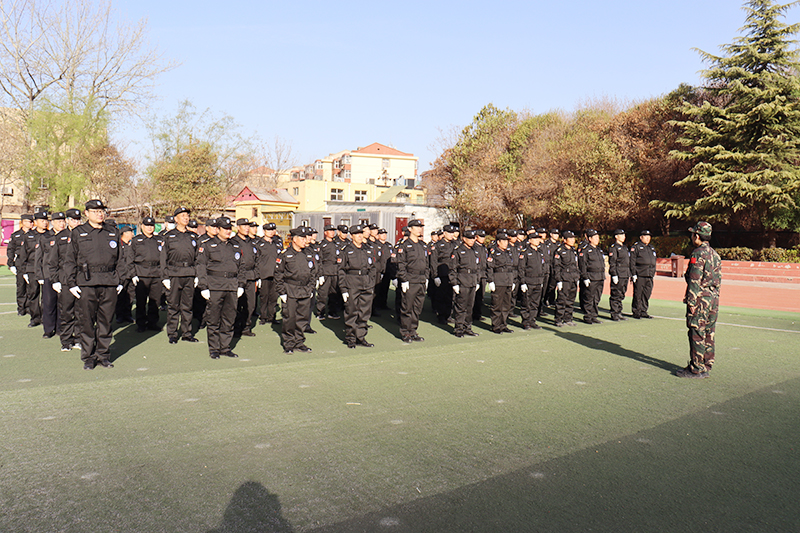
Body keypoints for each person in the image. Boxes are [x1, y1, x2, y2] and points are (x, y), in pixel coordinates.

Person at [64, 199, 123, 369]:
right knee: (87, 322)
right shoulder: (78, 232)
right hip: (87, 282)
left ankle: (103, 355)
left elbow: (120, 258)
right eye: (95, 211)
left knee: (106, 321)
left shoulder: (112, 231)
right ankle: (88, 357)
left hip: (109, 282)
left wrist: (120, 280)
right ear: (87, 213)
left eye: (101, 211)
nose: (99, 214)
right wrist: (71, 283)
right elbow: (70, 259)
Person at [196, 217, 245, 359]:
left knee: (229, 318)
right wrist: (203, 286)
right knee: (214, 318)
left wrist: (241, 284)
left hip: (231, 285)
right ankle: (214, 348)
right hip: (215, 285)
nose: (228, 231)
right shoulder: (207, 245)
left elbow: (241, 267)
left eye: (230, 228)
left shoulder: (235, 246)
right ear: (217, 229)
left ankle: (225, 347)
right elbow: (201, 266)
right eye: (225, 228)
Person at [678, 222, 721, 379]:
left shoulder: (698, 254)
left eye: (693, 234)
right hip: (713, 299)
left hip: (700, 299)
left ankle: (696, 368)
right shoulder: (715, 255)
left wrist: (691, 302)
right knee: (709, 332)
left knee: (696, 332)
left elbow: (694, 279)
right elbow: (718, 280)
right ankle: (706, 365)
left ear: (697, 236)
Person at [274, 227, 318, 354]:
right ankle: (289, 343)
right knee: (290, 318)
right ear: (294, 239)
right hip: (290, 290)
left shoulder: (308, 253)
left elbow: (313, 273)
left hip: (305, 290)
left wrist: (310, 288)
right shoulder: (285, 254)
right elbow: (278, 274)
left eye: (306, 238)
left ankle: (299, 342)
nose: (305, 240)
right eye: (302, 238)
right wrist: (282, 292)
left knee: (302, 318)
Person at [161, 207, 199, 343]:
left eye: (187, 215)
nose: (186, 218)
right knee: (173, 305)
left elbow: (198, 258)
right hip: (174, 274)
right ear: (176, 219)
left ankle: (187, 333)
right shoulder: (169, 236)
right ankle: (172, 333)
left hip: (189, 273)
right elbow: (163, 258)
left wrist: (197, 275)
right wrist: (165, 277)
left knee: (187, 306)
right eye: (182, 215)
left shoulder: (193, 236)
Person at [46, 210, 80, 350]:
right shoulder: (60, 237)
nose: (76, 222)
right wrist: (55, 280)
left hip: (80, 279)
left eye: (78, 219)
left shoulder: (84, 235)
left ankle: (79, 338)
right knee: (66, 311)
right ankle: (66, 340)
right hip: (64, 279)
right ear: (67, 220)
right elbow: (52, 261)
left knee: (81, 311)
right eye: (73, 219)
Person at [338, 224, 376, 348]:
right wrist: (343, 288)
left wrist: (371, 282)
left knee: (364, 312)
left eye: (361, 233)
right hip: (352, 283)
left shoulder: (367, 249)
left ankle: (361, 337)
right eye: (356, 234)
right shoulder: (346, 250)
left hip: (366, 283)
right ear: (351, 236)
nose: (360, 236)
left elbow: (373, 267)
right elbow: (341, 270)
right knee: (351, 311)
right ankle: (351, 338)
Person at [126, 217, 164, 333]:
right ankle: (141, 323)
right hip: (141, 273)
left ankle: (152, 322)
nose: (149, 228)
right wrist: (133, 274)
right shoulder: (136, 241)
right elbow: (129, 259)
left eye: (151, 225)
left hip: (156, 273)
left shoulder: (159, 240)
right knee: (141, 301)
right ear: (142, 226)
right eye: (147, 225)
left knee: (155, 301)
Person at [395, 219, 428, 343]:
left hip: (421, 280)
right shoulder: (404, 245)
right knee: (407, 307)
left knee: (417, 308)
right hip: (410, 279)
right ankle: (405, 332)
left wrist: (426, 277)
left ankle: (413, 331)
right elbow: (401, 264)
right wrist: (404, 280)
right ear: (410, 229)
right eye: (416, 227)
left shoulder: (423, 245)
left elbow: (427, 264)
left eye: (420, 227)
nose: (419, 229)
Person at [17, 211, 51, 329]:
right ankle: (35, 318)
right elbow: (23, 254)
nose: (45, 222)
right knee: (33, 294)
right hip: (32, 269)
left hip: (46, 269)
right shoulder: (29, 236)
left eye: (46, 220)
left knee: (46, 296)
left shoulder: (50, 235)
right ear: (36, 222)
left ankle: (45, 318)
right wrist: (24, 271)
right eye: (42, 220)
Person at [449, 229, 481, 338]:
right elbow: (452, 269)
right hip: (462, 281)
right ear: (464, 239)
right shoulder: (458, 251)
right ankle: (459, 328)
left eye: (473, 238)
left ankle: (467, 327)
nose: (472, 240)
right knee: (461, 307)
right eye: (469, 238)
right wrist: (454, 283)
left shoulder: (474, 250)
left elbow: (477, 267)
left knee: (469, 307)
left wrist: (477, 281)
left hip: (472, 281)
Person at [231, 218, 259, 337]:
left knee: (250, 305)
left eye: (248, 226)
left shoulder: (252, 242)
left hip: (251, 276)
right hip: (238, 277)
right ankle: (236, 327)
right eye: (244, 226)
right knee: (237, 304)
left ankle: (246, 327)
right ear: (238, 227)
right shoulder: (233, 242)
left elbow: (257, 259)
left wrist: (257, 275)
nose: (247, 228)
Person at [486, 232, 517, 334]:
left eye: (507, 241)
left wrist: (513, 281)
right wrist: (491, 281)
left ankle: (503, 324)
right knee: (497, 305)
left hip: (508, 280)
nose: (506, 243)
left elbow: (512, 267)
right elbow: (490, 267)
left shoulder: (508, 252)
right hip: (499, 281)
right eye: (504, 241)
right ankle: (496, 326)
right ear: (498, 242)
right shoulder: (494, 252)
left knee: (506, 305)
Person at [517, 232, 546, 330]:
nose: (537, 240)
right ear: (529, 240)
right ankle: (526, 322)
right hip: (528, 281)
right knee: (526, 303)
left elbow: (542, 266)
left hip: (538, 281)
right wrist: (523, 282)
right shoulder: (525, 252)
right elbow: (521, 268)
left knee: (535, 303)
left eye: (538, 238)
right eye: (535, 238)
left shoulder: (540, 252)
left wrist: (541, 280)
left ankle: (532, 320)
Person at [256, 222, 282, 325]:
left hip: (275, 274)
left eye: (272, 230)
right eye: (268, 230)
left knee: (273, 298)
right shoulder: (259, 244)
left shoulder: (277, 243)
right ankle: (263, 317)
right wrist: (258, 275)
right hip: (264, 274)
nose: (271, 232)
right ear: (264, 231)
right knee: (264, 297)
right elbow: (257, 260)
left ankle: (272, 317)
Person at [578, 229, 606, 324]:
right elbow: (583, 265)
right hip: (591, 277)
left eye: (598, 237)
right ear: (590, 238)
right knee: (589, 298)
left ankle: (594, 315)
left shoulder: (599, 250)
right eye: (595, 237)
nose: (597, 239)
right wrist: (585, 277)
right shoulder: (585, 250)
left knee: (596, 298)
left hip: (600, 277)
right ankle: (588, 316)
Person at [8, 214, 33, 316]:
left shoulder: (34, 234)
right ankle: (21, 308)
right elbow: (11, 250)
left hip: (31, 263)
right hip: (19, 263)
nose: (31, 223)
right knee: (21, 287)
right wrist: (11, 264)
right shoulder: (16, 235)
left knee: (31, 287)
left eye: (32, 222)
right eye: (29, 222)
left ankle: (30, 308)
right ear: (23, 222)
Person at [553, 230, 579, 327]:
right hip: (564, 279)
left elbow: (576, 265)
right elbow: (556, 267)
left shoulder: (573, 251)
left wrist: (577, 276)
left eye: (573, 238)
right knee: (562, 300)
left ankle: (568, 318)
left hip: (573, 279)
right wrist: (558, 280)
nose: (572, 240)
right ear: (564, 240)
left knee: (571, 300)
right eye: (570, 238)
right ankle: (558, 319)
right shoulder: (559, 251)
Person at [630, 230, 657, 319]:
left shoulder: (651, 247)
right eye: (646, 236)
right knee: (638, 294)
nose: (648, 238)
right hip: (640, 274)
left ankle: (643, 310)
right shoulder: (636, 247)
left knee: (647, 293)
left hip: (649, 274)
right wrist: (633, 273)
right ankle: (636, 311)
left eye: (649, 236)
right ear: (641, 237)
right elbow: (632, 261)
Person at [607, 229, 631, 321]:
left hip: (625, 274)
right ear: (616, 236)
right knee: (616, 294)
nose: (624, 237)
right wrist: (614, 274)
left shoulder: (624, 247)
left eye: (624, 235)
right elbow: (612, 262)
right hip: (618, 274)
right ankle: (614, 313)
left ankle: (619, 312)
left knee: (621, 294)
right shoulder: (614, 248)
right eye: (621, 235)